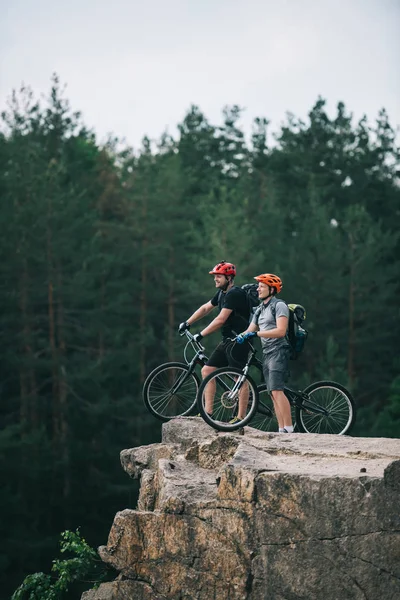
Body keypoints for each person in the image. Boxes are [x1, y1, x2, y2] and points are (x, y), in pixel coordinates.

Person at [178, 261, 251, 420]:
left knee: (239, 377)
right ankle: (207, 413)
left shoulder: (234, 294)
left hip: (239, 341)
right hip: (228, 340)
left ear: (229, 278)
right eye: (215, 276)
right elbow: (205, 308)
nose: (215, 279)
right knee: (207, 370)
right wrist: (188, 323)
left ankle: (240, 419)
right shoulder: (222, 293)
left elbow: (220, 319)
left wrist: (200, 334)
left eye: (219, 276)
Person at [236, 273, 293, 433]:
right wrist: (238, 337)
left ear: (272, 289)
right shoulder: (260, 309)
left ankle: (289, 428)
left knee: (277, 390)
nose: (258, 289)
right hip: (267, 352)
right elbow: (250, 329)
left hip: (279, 350)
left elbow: (281, 331)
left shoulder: (279, 305)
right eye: (258, 286)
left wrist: (257, 334)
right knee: (272, 392)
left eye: (261, 286)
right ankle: (282, 429)